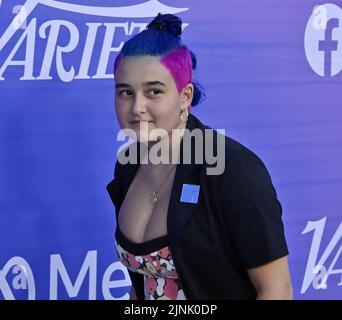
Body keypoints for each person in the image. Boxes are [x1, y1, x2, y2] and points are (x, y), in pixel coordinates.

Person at [106, 13, 293, 300]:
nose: (136, 107)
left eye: (153, 92)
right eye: (125, 92)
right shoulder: (128, 165)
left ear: (185, 96)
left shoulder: (233, 170)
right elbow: (141, 283)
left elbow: (276, 290)